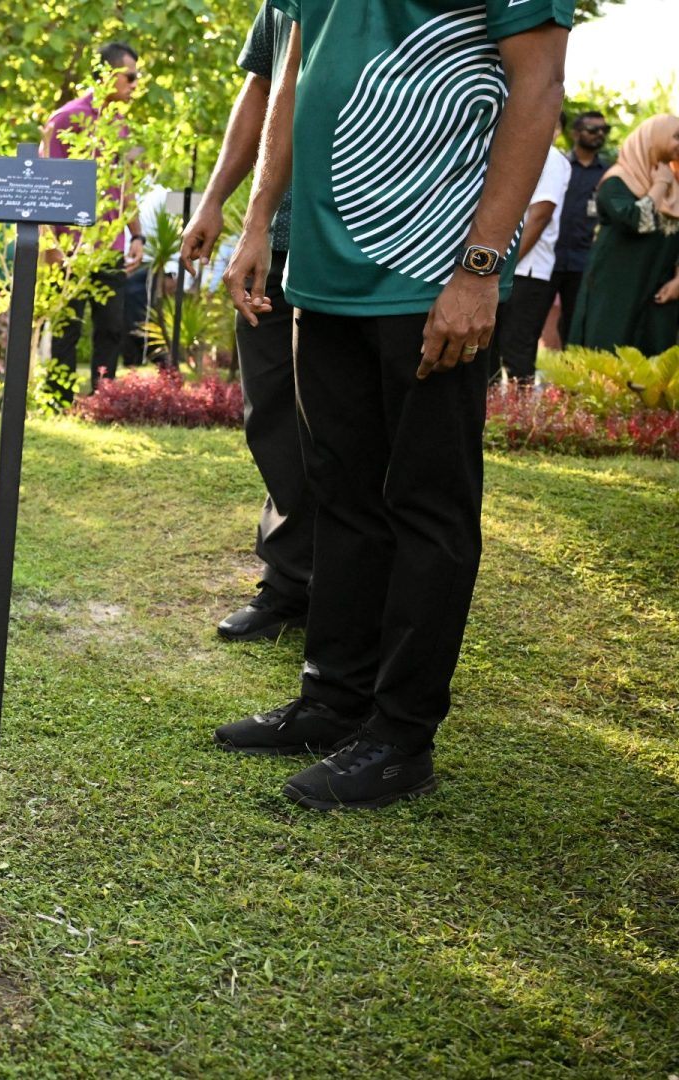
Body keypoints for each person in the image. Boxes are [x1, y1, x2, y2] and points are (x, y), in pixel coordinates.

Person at [216, 0, 571, 809]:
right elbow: (293, 78)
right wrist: (259, 218)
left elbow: (539, 82)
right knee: (338, 494)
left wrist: (481, 270)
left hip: (432, 274)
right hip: (322, 271)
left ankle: (400, 738)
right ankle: (333, 700)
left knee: (426, 507)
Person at [182, 1, 312, 644]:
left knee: (347, 430)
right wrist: (214, 201)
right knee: (273, 415)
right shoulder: (283, 6)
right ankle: (290, 582)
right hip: (276, 240)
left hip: (369, 245)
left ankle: (350, 592)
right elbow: (259, 89)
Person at [44, 42, 143, 397]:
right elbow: (47, 184)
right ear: (108, 75)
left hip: (110, 246)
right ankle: (59, 399)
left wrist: (137, 236)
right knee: (66, 326)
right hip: (69, 249)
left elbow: (124, 182)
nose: (135, 84)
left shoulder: (119, 124)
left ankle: (105, 400)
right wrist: (51, 247)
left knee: (112, 327)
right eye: (130, 76)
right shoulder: (65, 119)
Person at [566, 115, 679, 354]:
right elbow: (635, 221)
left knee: (654, 367)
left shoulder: (674, 185)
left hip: (658, 292)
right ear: (654, 138)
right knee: (608, 360)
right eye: (676, 136)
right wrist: (659, 186)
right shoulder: (616, 182)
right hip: (616, 292)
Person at [493, 146, 572, 382]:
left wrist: (503, 265)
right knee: (490, 352)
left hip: (526, 270)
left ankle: (522, 415)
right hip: (503, 268)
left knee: (516, 351)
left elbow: (541, 214)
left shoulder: (550, 157)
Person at [552, 110, 612, 343]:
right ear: (576, 133)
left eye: (603, 130)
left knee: (574, 325)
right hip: (550, 260)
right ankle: (523, 377)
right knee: (530, 323)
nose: (599, 134)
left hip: (583, 261)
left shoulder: (608, 173)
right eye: (592, 129)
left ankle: (571, 374)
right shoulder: (561, 165)